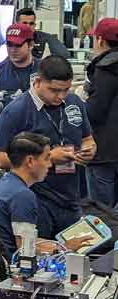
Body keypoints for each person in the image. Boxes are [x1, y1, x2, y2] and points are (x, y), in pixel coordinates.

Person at [0, 56, 96, 239]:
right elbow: (1, 159)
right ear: (38, 81)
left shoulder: (74, 103)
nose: (60, 97)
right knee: (37, 256)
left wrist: (89, 149)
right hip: (36, 200)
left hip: (72, 198)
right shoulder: (16, 111)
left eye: (66, 90)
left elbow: (87, 138)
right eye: (54, 90)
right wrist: (49, 157)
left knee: (72, 256)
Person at [0, 132, 51, 256]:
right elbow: (25, 250)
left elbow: (25, 241)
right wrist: (64, 250)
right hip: (1, 271)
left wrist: (59, 245)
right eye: (46, 158)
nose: (50, 164)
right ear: (29, 161)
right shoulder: (22, 195)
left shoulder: (4, 184)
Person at [83, 18, 118, 206]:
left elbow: (94, 112)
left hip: (104, 153)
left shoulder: (104, 69)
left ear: (100, 40)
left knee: (102, 215)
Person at [0, 23, 40, 130]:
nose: (12, 50)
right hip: (4, 137)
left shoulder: (44, 70)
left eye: (18, 45)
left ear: (30, 44)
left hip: (37, 136)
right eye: (9, 44)